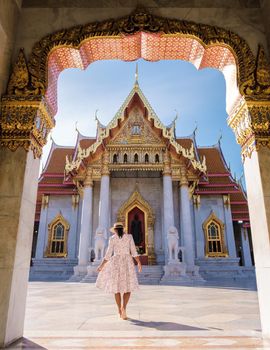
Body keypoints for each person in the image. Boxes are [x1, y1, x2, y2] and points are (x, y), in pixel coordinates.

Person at [95, 222, 142, 320]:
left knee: (116, 288)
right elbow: (133, 251)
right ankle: (124, 308)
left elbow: (108, 254)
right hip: (127, 262)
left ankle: (119, 310)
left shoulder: (112, 238)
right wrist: (139, 263)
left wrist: (101, 265)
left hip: (116, 262)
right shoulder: (129, 237)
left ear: (115, 230)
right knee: (128, 287)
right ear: (123, 229)